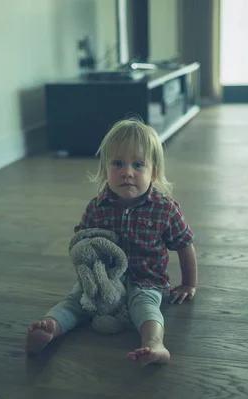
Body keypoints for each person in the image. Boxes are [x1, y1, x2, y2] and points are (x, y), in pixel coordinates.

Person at [26, 117, 198, 366]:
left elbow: (185, 244)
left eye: (138, 165)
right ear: (105, 168)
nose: (127, 172)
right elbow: (82, 244)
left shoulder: (165, 208)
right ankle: (50, 328)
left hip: (146, 281)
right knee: (76, 302)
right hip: (102, 280)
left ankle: (153, 343)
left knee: (147, 310)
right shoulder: (96, 207)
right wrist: (88, 278)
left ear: (154, 172)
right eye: (118, 163)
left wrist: (189, 284)